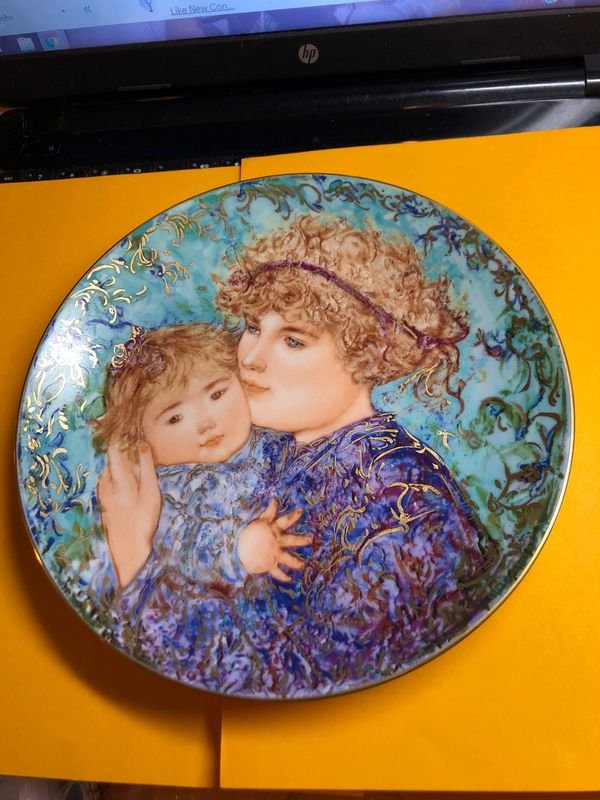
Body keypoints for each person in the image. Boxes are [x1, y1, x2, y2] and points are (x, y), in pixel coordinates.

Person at [211, 214, 498, 696]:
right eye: (253, 327)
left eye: (293, 340)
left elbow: (321, 678)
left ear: (366, 356)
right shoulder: (268, 451)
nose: (251, 358)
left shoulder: (404, 504)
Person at [91, 322, 310, 685]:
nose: (206, 422)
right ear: (142, 442)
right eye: (175, 418)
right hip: (221, 620)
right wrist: (236, 551)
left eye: (217, 394)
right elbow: (180, 544)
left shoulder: (274, 441)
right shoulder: (170, 490)